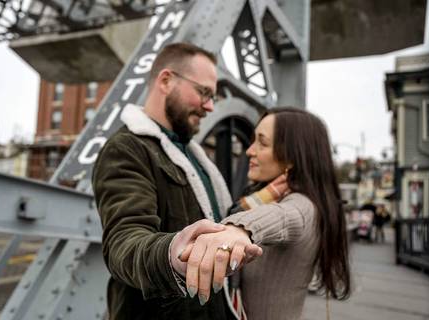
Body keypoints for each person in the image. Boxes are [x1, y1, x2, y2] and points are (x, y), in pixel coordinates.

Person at [92, 42, 277, 320]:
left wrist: (263, 197)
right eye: (203, 92)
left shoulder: (192, 154)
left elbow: (216, 219)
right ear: (166, 80)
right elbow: (124, 243)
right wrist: (171, 253)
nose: (210, 106)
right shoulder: (126, 149)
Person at [180, 107, 351, 319]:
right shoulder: (265, 197)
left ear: (291, 157)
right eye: (253, 140)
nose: (249, 150)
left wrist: (238, 229)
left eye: (262, 143)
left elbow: (286, 217)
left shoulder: (303, 205)